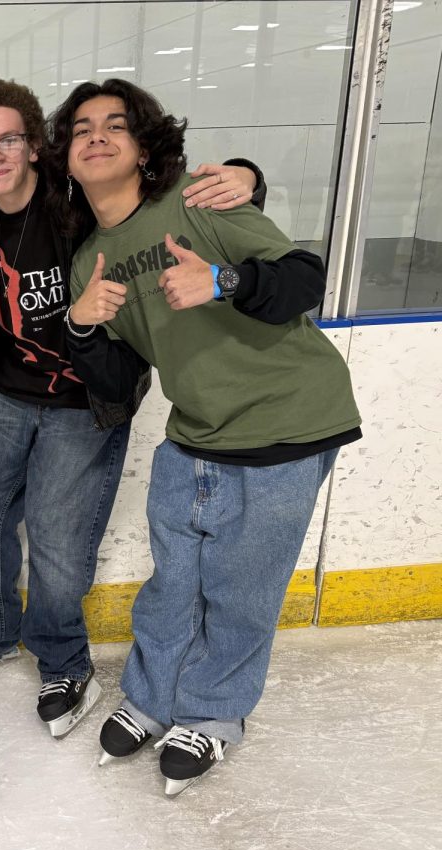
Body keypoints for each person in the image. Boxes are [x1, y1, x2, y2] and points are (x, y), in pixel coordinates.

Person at [55, 79, 361, 794]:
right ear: (65, 157)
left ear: (144, 145)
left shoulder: (199, 200)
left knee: (241, 589)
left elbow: (302, 278)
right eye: (81, 129)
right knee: (174, 584)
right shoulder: (88, 261)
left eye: (115, 124)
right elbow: (117, 376)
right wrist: (80, 324)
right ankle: (154, 696)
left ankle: (218, 713)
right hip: (195, 431)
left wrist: (223, 280)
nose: (97, 135)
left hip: (288, 421)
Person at [0, 76, 265, 740]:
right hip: (4, 394)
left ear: (35, 145)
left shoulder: (80, 199)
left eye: (9, 139)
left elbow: (163, 189)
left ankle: (65, 661)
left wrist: (248, 174)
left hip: (79, 403)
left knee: (58, 543)